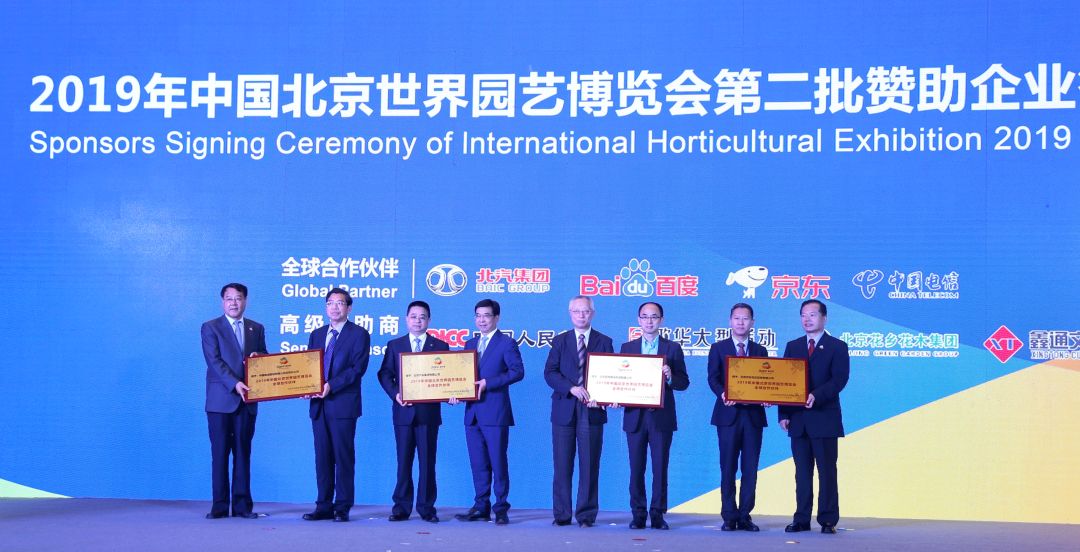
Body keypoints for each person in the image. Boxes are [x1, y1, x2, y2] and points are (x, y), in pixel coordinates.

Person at [779, 299, 850, 534]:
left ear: (824, 318)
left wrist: (816, 396)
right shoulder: (793, 346)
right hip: (798, 421)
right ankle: (801, 519)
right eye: (803, 315)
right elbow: (784, 381)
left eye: (812, 314)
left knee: (827, 471)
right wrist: (783, 413)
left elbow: (839, 380)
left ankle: (828, 520)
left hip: (824, 418)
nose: (807, 319)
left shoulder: (837, 346)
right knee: (802, 473)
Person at [543, 295, 614, 528]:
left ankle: (586, 515)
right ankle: (562, 514)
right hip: (564, 408)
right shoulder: (560, 341)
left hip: (592, 410)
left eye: (586, 311)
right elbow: (550, 373)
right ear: (570, 313)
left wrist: (605, 397)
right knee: (562, 465)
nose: (581, 315)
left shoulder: (605, 341)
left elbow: (611, 374)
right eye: (577, 311)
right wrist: (571, 388)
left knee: (590, 465)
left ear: (593, 313)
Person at [618, 302, 689, 530]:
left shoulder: (672, 348)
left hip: (661, 418)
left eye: (654, 316)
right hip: (635, 417)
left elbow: (683, 382)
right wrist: (614, 396)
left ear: (661, 320)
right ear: (638, 320)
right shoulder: (627, 348)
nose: (649, 321)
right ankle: (638, 514)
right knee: (636, 468)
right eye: (645, 316)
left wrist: (670, 376)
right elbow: (620, 380)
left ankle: (658, 514)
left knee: (660, 468)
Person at [454, 299, 525, 526]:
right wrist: (454, 393)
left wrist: (488, 382)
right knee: (478, 463)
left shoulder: (506, 343)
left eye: (486, 315)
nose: (481, 320)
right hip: (472, 413)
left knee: (498, 462)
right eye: (478, 315)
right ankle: (481, 506)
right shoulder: (469, 343)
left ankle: (501, 508)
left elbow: (517, 372)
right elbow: (461, 377)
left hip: (495, 413)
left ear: (496, 318)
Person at [377, 300, 449, 523]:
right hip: (403, 412)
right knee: (403, 462)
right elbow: (384, 374)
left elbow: (447, 378)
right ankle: (401, 507)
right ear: (406, 319)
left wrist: (452, 393)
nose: (418, 321)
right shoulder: (395, 345)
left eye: (422, 317)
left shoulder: (440, 346)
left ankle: (427, 508)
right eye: (414, 316)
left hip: (428, 414)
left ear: (429, 320)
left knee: (428, 463)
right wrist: (395, 394)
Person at [302, 288, 370, 523]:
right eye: (330, 303)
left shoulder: (359, 334)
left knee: (343, 457)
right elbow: (309, 367)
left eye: (340, 303)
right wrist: (305, 387)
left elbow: (357, 369)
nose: (334, 307)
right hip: (318, 406)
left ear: (349, 308)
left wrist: (331, 385)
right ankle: (323, 505)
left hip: (343, 404)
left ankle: (342, 506)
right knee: (322, 457)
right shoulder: (317, 334)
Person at [201, 283, 267, 519]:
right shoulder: (210, 327)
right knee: (219, 454)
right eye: (229, 299)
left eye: (238, 298)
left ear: (245, 301)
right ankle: (219, 506)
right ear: (222, 302)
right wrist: (234, 383)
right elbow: (214, 361)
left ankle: (242, 506)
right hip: (220, 401)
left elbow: (264, 356)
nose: (233, 303)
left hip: (247, 401)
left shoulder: (256, 328)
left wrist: (260, 358)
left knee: (243, 454)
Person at [707, 302, 769, 532]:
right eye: (737, 318)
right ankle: (728, 515)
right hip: (728, 415)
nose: (741, 322)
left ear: (752, 322)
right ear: (730, 321)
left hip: (753, 417)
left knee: (750, 468)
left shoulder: (760, 350)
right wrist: (723, 393)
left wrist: (767, 396)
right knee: (728, 467)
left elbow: (766, 381)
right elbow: (712, 377)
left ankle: (745, 515)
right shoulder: (718, 348)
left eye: (745, 318)